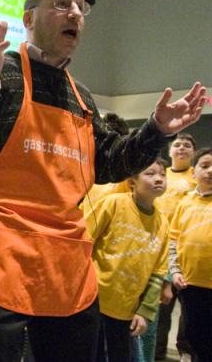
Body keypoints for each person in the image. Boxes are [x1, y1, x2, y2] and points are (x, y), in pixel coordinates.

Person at [0, 0, 206, 361]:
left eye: (80, 7)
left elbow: (108, 163)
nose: (75, 12)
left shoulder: (82, 96)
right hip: (0, 245)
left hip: (66, 253)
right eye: (61, 3)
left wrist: (156, 130)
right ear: (28, 17)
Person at [86, 159, 170, 361]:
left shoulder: (163, 223)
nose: (158, 179)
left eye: (162, 174)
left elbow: (158, 272)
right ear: (132, 181)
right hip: (93, 302)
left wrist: (145, 311)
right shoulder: (113, 203)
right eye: (150, 174)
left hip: (126, 310)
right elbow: (84, 241)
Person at [153, 133, 197, 361]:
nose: (181, 148)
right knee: (161, 306)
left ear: (193, 153)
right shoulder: (160, 175)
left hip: (187, 250)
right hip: (159, 248)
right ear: (169, 151)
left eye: (187, 146)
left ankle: (185, 352)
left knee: (189, 309)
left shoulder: (198, 177)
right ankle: (157, 354)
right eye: (177, 144)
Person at [169, 147, 212, 361]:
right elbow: (173, 240)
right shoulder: (185, 202)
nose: (210, 171)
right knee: (192, 337)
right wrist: (174, 270)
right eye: (205, 166)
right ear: (193, 172)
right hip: (190, 283)